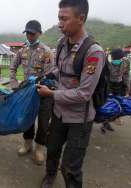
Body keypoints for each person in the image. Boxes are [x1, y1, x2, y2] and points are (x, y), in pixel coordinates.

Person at [37, 0, 106, 187]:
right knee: (52, 150)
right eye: (59, 18)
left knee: (70, 166)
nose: (59, 23)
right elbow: (60, 70)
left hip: (79, 118)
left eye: (64, 19)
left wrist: (50, 94)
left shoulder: (93, 52)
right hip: (59, 112)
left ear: (81, 19)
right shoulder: (61, 43)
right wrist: (46, 76)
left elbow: (84, 94)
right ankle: (49, 176)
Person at [9, 20, 54, 165]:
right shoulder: (22, 50)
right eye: (27, 33)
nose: (29, 36)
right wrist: (14, 84)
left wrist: (41, 84)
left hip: (43, 91)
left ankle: (39, 148)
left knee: (43, 122)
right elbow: (12, 68)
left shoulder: (47, 51)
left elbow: (50, 74)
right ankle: (27, 143)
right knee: (27, 119)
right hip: (27, 92)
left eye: (32, 33)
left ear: (39, 33)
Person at [102, 48, 130, 132]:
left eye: (119, 59)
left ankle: (109, 120)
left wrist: (127, 87)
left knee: (117, 103)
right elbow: (103, 75)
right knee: (107, 103)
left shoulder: (126, 62)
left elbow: (126, 75)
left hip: (119, 85)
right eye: (115, 59)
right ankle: (105, 122)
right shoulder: (106, 62)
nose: (116, 61)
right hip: (108, 84)